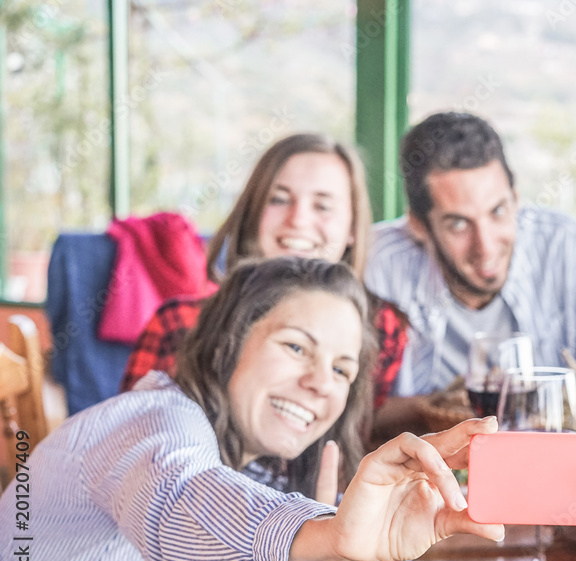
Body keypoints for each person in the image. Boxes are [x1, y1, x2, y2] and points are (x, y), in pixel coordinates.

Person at [0, 256, 502, 561]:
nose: (321, 383)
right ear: (226, 342)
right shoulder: (151, 420)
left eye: (342, 369)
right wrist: (326, 539)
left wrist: (340, 545)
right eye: (295, 346)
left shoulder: (254, 463)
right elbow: (181, 505)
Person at [364, 112, 576, 437]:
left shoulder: (565, 245)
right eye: (459, 224)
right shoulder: (376, 263)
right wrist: (438, 406)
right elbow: (341, 416)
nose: (486, 246)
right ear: (419, 226)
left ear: (516, 198)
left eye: (498, 211)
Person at [121, 133, 407, 424]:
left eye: (322, 206)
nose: (297, 219)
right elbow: (129, 442)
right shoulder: (179, 322)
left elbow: (359, 429)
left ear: (352, 228)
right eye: (279, 199)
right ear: (252, 214)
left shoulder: (381, 326)